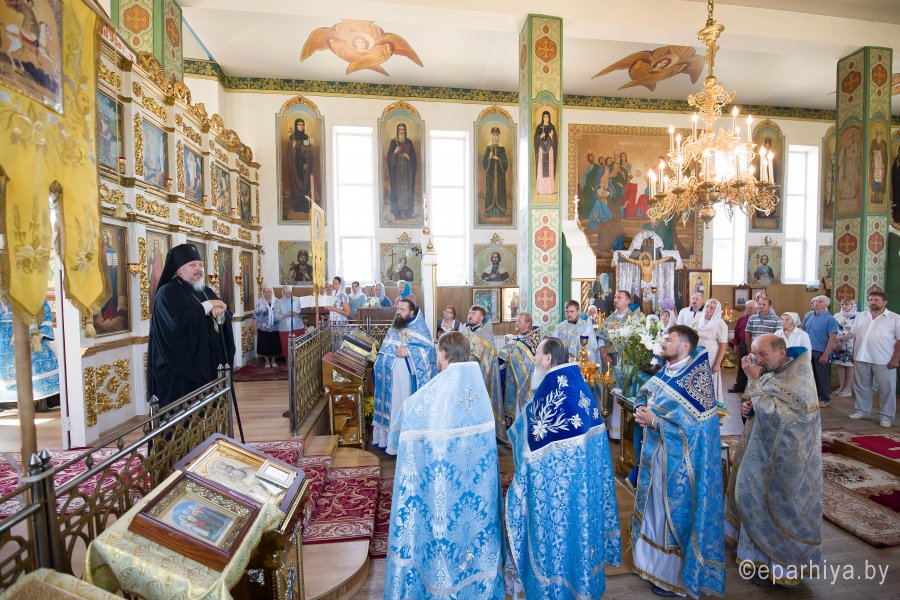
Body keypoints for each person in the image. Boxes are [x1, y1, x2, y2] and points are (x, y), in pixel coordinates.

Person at [383, 332, 504, 598]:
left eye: (438, 351)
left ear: (444, 354)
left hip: (444, 488)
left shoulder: (437, 391)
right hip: (474, 489)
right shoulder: (477, 390)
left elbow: (406, 416)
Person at [505, 336, 621, 599]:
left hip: (557, 494)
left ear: (547, 359)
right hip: (583, 487)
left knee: (558, 537)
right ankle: (584, 586)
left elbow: (531, 450)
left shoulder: (552, 394)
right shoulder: (577, 386)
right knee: (580, 534)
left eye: (537, 354)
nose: (534, 359)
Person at [630, 325, 725, 597]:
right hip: (656, 457)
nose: (663, 342)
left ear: (684, 346)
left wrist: (655, 421)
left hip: (681, 466)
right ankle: (650, 565)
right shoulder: (668, 370)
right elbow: (646, 393)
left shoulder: (697, 381)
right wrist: (640, 409)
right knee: (654, 511)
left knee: (671, 517)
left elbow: (696, 431)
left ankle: (672, 578)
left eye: (668, 339)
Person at [727, 334, 822, 588]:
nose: (757, 359)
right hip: (761, 453)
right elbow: (760, 402)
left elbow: (786, 418)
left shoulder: (800, 378)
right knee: (755, 499)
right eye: (754, 353)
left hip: (786, 461)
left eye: (762, 354)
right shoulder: (772, 370)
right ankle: (755, 559)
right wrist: (748, 407)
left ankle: (781, 569)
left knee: (778, 507)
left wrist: (754, 383)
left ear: (781, 352)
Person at [147, 244, 235, 408]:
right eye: (192, 265)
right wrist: (206, 307)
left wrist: (222, 313)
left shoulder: (206, 291)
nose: (199, 269)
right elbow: (174, 326)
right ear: (179, 270)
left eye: (201, 265)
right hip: (181, 373)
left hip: (210, 366)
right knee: (186, 416)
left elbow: (225, 313)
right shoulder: (166, 293)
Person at [372, 298, 437, 454]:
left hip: (407, 381)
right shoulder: (395, 326)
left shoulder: (420, 328)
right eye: (398, 309)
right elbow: (386, 347)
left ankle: (405, 443)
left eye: (402, 309)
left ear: (411, 312)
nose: (398, 312)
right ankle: (389, 442)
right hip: (390, 379)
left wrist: (409, 352)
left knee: (403, 407)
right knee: (393, 408)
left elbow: (429, 352)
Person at [847, 291, 900, 428]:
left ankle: (887, 417)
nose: (872, 302)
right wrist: (854, 353)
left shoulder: (894, 318)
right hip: (861, 357)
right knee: (861, 386)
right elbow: (855, 335)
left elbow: (899, 341)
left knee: (886, 389)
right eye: (870, 300)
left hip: (884, 359)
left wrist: (895, 359)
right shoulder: (861, 316)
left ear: (885, 302)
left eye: (876, 300)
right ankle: (862, 411)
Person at [0, 299, 60, 404]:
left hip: (33, 332)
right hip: (3, 335)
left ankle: (44, 398)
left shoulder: (36, 292)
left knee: (39, 355)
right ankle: (9, 400)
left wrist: (39, 336)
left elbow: (46, 316)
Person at [463, 305, 507, 443]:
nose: (470, 315)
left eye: (474, 313)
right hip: (464, 376)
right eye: (469, 313)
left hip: (481, 377)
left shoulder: (485, 335)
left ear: (482, 317)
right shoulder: (465, 331)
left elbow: (486, 359)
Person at [497, 312, 540, 426]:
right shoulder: (517, 339)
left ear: (527, 323)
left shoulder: (533, 341)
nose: (516, 323)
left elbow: (531, 364)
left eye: (519, 321)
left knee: (520, 410)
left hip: (524, 383)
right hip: (512, 381)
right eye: (516, 320)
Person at [801, 295, 839, 408]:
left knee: (822, 376)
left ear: (826, 304)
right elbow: (803, 332)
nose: (816, 303)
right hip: (807, 350)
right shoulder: (808, 316)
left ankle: (826, 398)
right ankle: (814, 397)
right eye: (815, 301)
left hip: (821, 351)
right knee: (810, 375)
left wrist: (826, 354)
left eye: (820, 302)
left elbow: (832, 338)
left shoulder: (830, 319)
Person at [696, 298, 727, 407]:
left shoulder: (720, 323)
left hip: (711, 356)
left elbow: (723, 345)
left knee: (708, 380)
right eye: (707, 306)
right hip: (696, 354)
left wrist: (717, 364)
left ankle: (709, 405)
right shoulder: (697, 319)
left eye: (712, 308)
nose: (708, 309)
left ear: (717, 310)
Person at [386, 123, 417, 221]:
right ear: (397, 131)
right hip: (397, 174)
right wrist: (395, 152)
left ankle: (406, 212)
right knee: (397, 191)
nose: (401, 131)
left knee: (406, 191)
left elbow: (414, 159)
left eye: (403, 129)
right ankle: (397, 213)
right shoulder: (393, 142)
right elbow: (389, 158)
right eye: (399, 129)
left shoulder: (409, 142)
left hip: (407, 173)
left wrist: (408, 157)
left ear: (405, 131)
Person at [597, 290, 636, 364]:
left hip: (629, 359)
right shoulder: (609, 319)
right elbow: (601, 338)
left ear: (627, 301)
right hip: (611, 358)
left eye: (619, 298)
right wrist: (603, 354)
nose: (615, 300)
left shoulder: (634, 318)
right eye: (615, 297)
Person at [728, 299, 757, 394]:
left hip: (756, 345)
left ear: (756, 309)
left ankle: (753, 387)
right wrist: (736, 346)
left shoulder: (758, 318)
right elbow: (736, 334)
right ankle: (740, 385)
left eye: (750, 308)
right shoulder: (741, 319)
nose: (748, 309)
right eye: (747, 308)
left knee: (755, 365)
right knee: (742, 365)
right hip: (743, 344)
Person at [288, 117, 315, 213]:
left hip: (305, 164)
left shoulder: (307, 137)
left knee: (306, 183)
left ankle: (305, 205)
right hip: (296, 164)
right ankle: (297, 205)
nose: (301, 126)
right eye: (299, 125)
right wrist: (293, 144)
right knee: (297, 182)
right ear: (296, 126)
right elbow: (290, 151)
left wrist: (307, 162)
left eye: (302, 125)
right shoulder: (292, 137)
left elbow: (309, 152)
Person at [831, 299, 857, 397]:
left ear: (853, 305)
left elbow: (857, 332)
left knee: (849, 366)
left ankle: (848, 388)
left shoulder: (858, 316)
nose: (844, 306)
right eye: (842, 304)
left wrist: (840, 338)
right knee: (840, 364)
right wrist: (836, 341)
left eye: (847, 304)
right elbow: (834, 329)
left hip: (851, 344)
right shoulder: (837, 315)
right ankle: (841, 387)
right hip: (838, 344)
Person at [482, 126, 509, 218]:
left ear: (499, 136)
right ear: (491, 135)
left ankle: (500, 212)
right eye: (493, 134)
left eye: (497, 135)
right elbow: (484, 163)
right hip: (491, 176)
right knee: (490, 191)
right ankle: (490, 212)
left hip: (500, 176)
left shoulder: (502, 148)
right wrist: (489, 158)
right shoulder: (488, 148)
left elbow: (505, 163)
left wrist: (498, 159)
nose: (495, 137)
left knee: (500, 192)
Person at [252, 286, 281, 369]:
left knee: (275, 345)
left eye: (269, 292)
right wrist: (255, 327)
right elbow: (255, 316)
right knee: (264, 345)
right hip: (263, 328)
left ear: (272, 292)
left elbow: (281, 313)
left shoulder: (277, 301)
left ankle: (273, 361)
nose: (267, 293)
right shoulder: (259, 302)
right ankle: (267, 361)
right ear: (263, 293)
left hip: (275, 327)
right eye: (266, 292)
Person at [274, 286, 305, 364]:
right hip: (284, 328)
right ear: (283, 293)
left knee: (299, 346)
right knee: (286, 347)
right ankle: (288, 365)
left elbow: (304, 311)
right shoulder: (278, 302)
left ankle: (299, 364)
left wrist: (297, 313)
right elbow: (276, 316)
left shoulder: (297, 300)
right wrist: (285, 314)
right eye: (286, 293)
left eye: (289, 292)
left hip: (298, 326)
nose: (288, 294)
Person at [533, 111, 557, 195]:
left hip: (549, 150)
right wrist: (540, 136)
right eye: (544, 116)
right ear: (542, 117)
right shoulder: (539, 127)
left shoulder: (552, 127)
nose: (546, 118)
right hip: (541, 151)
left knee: (549, 168)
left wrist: (551, 136)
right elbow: (535, 140)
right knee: (541, 168)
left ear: (549, 117)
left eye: (547, 116)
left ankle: (549, 189)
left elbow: (555, 141)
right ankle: (541, 189)